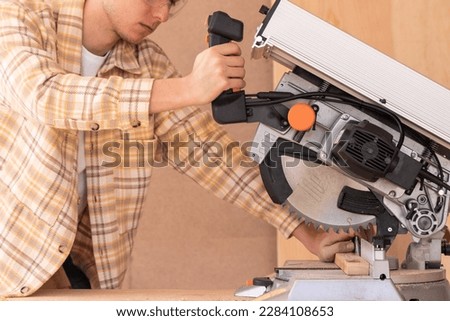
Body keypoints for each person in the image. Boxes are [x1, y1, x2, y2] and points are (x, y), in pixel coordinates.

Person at [0, 0, 355, 297]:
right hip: (11, 264)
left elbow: (209, 156)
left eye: (171, 2)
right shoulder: (19, 15)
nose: (163, 14)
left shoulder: (146, 64)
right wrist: (188, 88)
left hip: (76, 271)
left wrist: (309, 233)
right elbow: (43, 95)